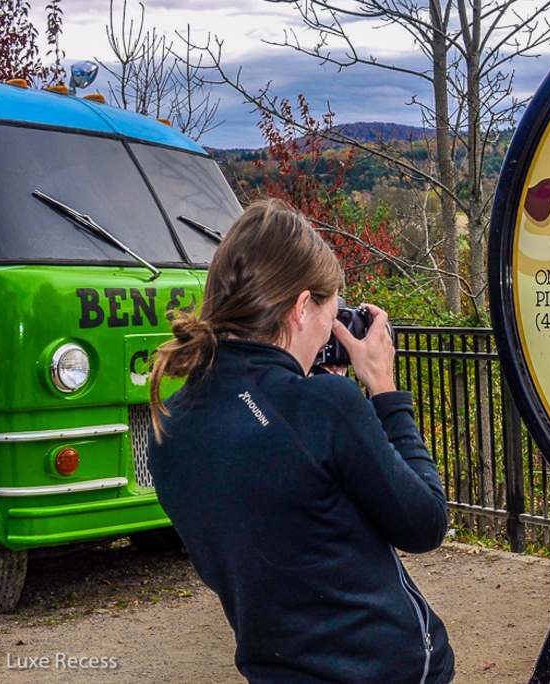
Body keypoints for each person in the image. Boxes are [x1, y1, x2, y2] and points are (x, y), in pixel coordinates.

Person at [146, 199, 454, 684]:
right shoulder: (322, 407)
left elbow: (291, 522)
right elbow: (426, 523)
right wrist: (384, 390)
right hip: (385, 671)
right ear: (300, 307)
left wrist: (305, 389)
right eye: (330, 314)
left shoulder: (171, 423)